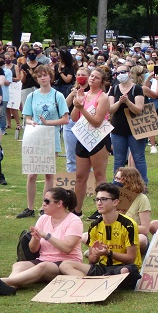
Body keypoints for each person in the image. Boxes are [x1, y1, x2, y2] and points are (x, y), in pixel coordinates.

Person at [0, 187, 82, 296]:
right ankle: (9, 288)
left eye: (47, 201)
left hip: (65, 263)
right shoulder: (44, 218)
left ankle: (1, 282)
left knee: (43, 266)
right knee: (19, 265)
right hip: (44, 260)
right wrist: (36, 239)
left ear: (59, 203)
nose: (43, 204)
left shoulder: (74, 221)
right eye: (44, 200)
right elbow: (33, 249)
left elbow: (67, 248)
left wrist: (46, 236)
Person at [59, 183, 142, 290]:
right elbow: (92, 260)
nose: (99, 203)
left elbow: (131, 258)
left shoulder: (128, 225)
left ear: (115, 202)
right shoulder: (94, 226)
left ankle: (99, 281)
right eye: (97, 199)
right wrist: (96, 252)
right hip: (103, 268)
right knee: (65, 265)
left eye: (103, 199)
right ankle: (93, 283)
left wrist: (108, 253)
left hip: (123, 267)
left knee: (126, 271)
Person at [18, 65, 69, 219]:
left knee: (48, 174)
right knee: (32, 174)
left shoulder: (57, 96)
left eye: (45, 75)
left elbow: (65, 119)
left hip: (51, 137)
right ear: (36, 78)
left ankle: (44, 206)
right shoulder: (31, 96)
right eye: (40, 76)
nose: (43, 78)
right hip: (35, 137)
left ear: (50, 76)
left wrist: (48, 123)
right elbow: (27, 116)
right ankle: (30, 207)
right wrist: (31, 122)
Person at [71, 68, 111, 218]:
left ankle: (102, 209)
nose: (92, 79)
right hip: (83, 137)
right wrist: (77, 104)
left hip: (98, 138)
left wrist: (82, 108)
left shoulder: (103, 98)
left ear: (102, 81)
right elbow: (74, 118)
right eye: (91, 76)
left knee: (99, 175)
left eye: (96, 77)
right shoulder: (84, 94)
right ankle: (77, 210)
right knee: (80, 176)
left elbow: (97, 122)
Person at [108, 63, 147, 187]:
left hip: (135, 128)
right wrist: (120, 102)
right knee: (118, 159)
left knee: (138, 157)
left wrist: (128, 102)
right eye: (118, 73)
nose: (120, 75)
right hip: (118, 129)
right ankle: (117, 185)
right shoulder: (114, 89)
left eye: (123, 72)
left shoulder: (137, 89)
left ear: (129, 73)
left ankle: (142, 184)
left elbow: (138, 109)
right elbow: (110, 109)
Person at [114, 167, 151, 255]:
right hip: (114, 234)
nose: (116, 181)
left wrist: (124, 229)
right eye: (115, 178)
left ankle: (112, 252)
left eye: (119, 179)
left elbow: (145, 229)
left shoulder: (142, 199)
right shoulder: (112, 196)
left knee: (141, 239)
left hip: (132, 235)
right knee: (85, 236)